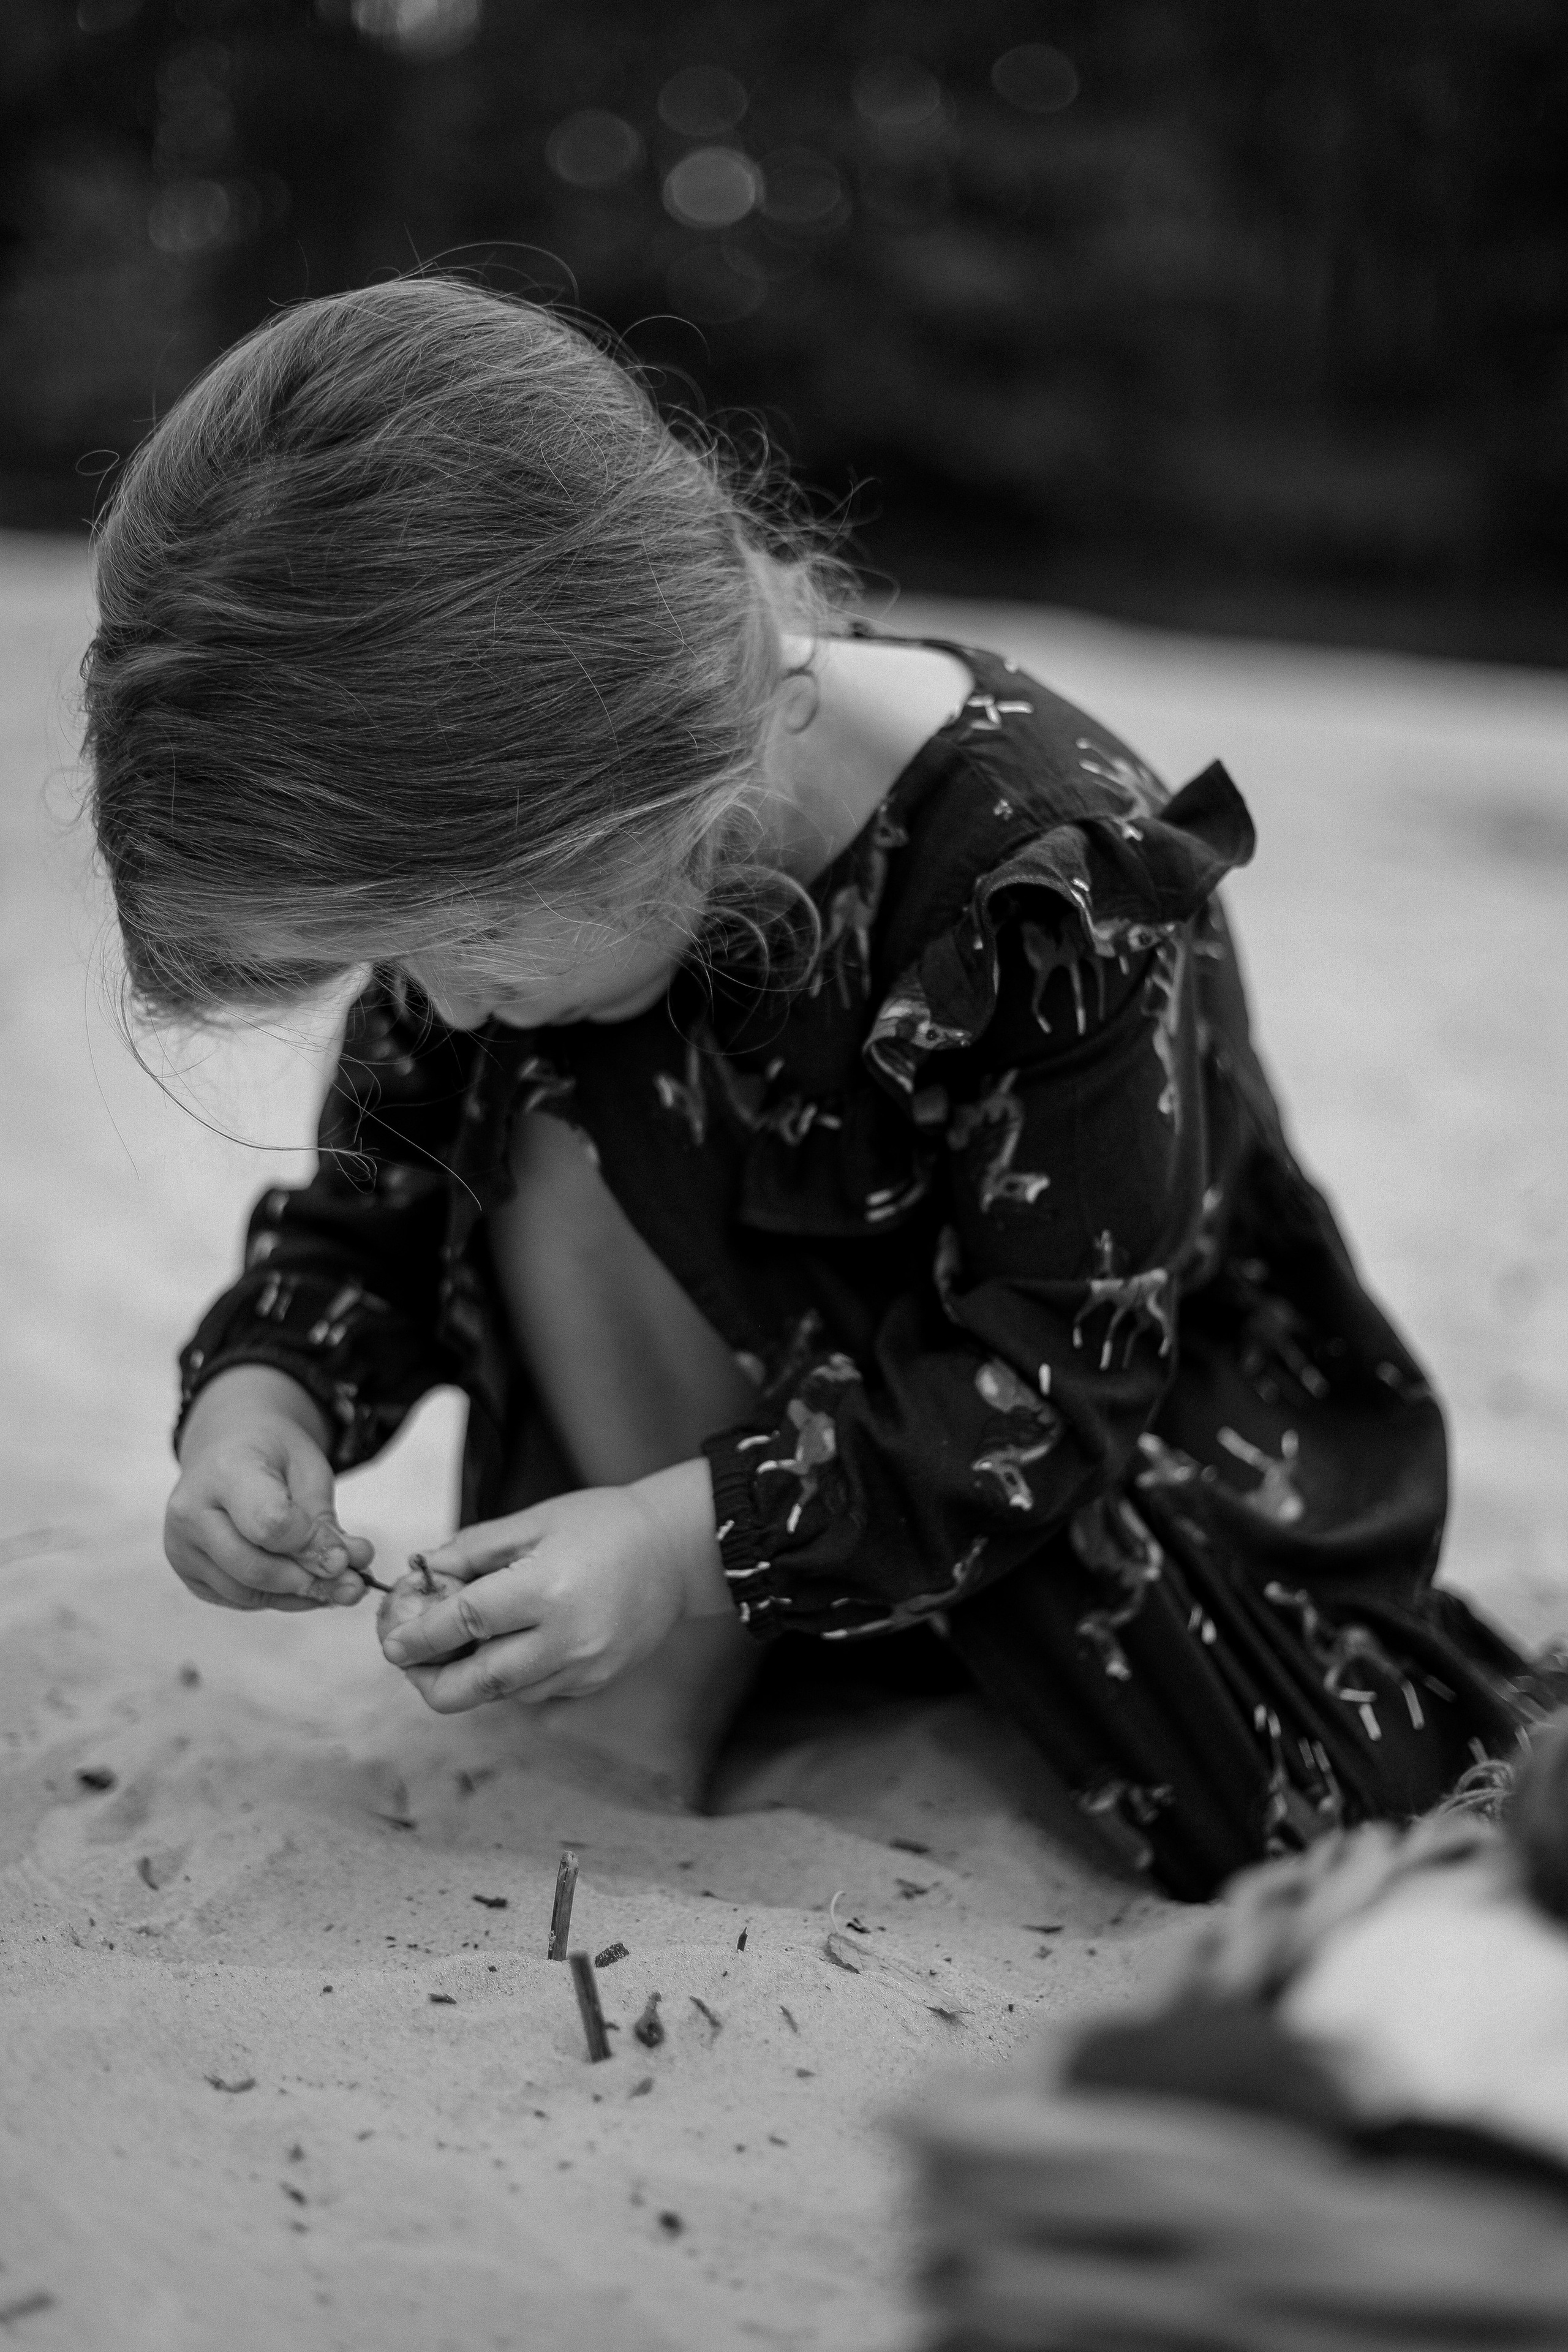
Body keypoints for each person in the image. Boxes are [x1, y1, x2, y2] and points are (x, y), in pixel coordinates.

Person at [83, 278, 1539, 1900]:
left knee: (1286, 1791)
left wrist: (669, 1540)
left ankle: (789, 1644)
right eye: (396, 955)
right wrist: (265, 1398)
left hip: (1097, 1518)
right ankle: (691, 1681)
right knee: (560, 1078)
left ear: (650, 781)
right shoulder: (519, 902)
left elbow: (1055, 1381)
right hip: (708, 1492)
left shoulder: (1048, 879)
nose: (432, 996)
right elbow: (374, 1210)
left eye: (458, 936)